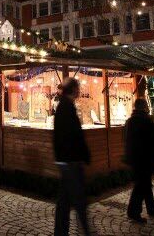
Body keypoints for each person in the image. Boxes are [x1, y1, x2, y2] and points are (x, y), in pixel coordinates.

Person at [52, 77, 91, 236]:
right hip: (71, 160)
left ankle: (61, 232)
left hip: (64, 159)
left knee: (65, 200)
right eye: (78, 88)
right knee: (79, 200)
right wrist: (84, 154)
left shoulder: (63, 105)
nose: (80, 91)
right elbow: (74, 135)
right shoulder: (67, 107)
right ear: (74, 90)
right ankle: (86, 231)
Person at [125, 98, 154, 223]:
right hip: (145, 159)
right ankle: (133, 212)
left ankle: (152, 209)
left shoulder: (129, 121)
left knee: (145, 184)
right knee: (141, 185)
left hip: (134, 159)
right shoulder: (146, 121)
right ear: (144, 107)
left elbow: (126, 141)